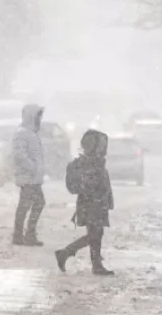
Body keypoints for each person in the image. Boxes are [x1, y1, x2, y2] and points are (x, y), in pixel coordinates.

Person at [54, 129, 115, 276]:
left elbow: (103, 183)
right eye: (101, 145)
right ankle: (66, 253)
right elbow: (89, 185)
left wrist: (107, 199)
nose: (103, 149)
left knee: (97, 233)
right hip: (91, 203)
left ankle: (95, 263)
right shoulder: (88, 163)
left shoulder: (96, 162)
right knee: (94, 234)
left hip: (98, 203)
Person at [12, 103, 46, 246]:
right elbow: (19, 154)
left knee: (28, 205)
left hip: (33, 177)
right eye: (38, 116)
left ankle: (21, 235)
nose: (40, 119)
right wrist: (32, 168)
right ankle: (25, 235)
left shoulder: (31, 133)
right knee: (33, 204)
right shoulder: (23, 133)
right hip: (28, 177)